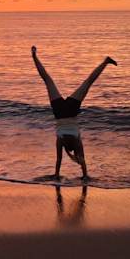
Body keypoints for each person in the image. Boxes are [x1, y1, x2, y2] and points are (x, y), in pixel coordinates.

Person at [32, 45, 117, 181]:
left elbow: (82, 160)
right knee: (47, 80)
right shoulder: (61, 139)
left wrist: (84, 176)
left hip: (71, 110)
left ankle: (105, 62)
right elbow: (58, 160)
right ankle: (34, 56)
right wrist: (57, 174)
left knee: (88, 83)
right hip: (59, 111)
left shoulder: (77, 139)